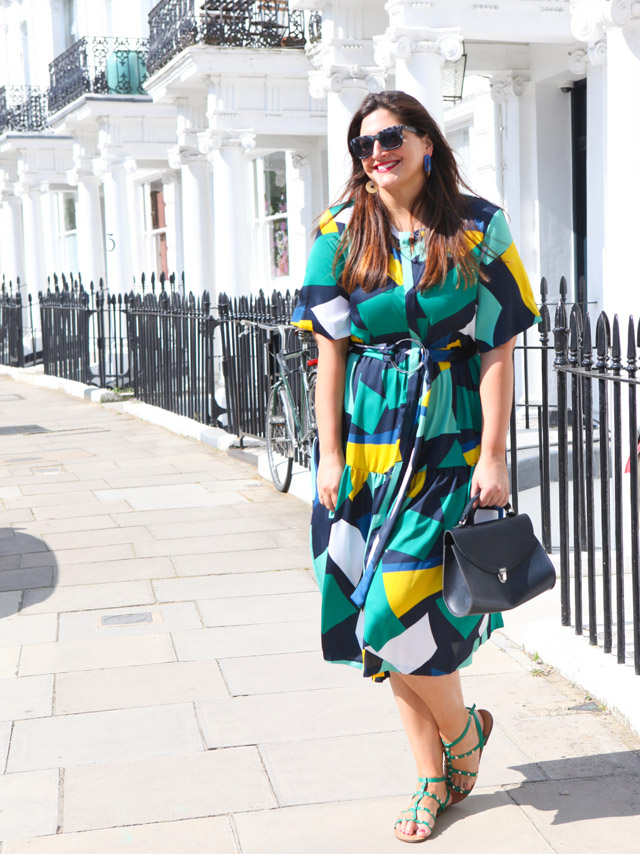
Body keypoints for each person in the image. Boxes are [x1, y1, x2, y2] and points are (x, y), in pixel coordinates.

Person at [291, 90, 540, 843]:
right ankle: (438, 773)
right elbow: (328, 355)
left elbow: (497, 348)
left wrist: (493, 454)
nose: (377, 153)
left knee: (391, 610)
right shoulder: (338, 232)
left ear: (427, 141)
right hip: (368, 446)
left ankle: (457, 744)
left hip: (446, 441)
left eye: (391, 136)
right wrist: (328, 455)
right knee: (390, 622)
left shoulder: (479, 226)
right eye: (363, 145)